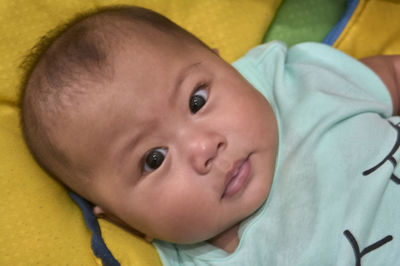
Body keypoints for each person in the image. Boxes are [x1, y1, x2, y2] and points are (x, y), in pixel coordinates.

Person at [20, 5, 400, 265]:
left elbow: (393, 76)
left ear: (225, 65)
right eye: (154, 159)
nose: (204, 147)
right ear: (124, 221)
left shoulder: (295, 83)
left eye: (197, 100)